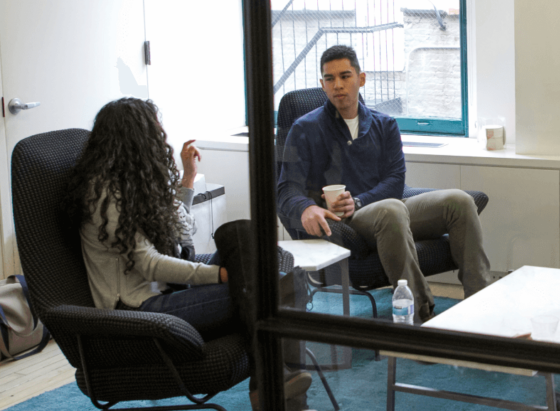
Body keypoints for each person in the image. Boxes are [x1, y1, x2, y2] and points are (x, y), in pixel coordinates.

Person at [62, 98, 310, 410]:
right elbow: (150, 265)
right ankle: (281, 392)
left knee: (242, 234)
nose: (162, 136)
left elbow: (184, 231)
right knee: (277, 286)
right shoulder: (107, 194)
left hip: (171, 292)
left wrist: (186, 180)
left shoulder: (136, 181)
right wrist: (218, 275)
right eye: (155, 129)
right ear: (135, 138)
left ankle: (270, 383)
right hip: (139, 310)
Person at [277, 44, 492, 322]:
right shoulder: (305, 129)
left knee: (459, 201)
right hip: (343, 221)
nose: (338, 85)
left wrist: (359, 201)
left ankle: (481, 305)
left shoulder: (384, 124)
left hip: (381, 207)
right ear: (322, 85)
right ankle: (419, 313)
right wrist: (306, 207)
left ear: (361, 79)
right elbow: (286, 189)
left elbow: (395, 181)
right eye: (329, 79)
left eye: (345, 76)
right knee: (391, 209)